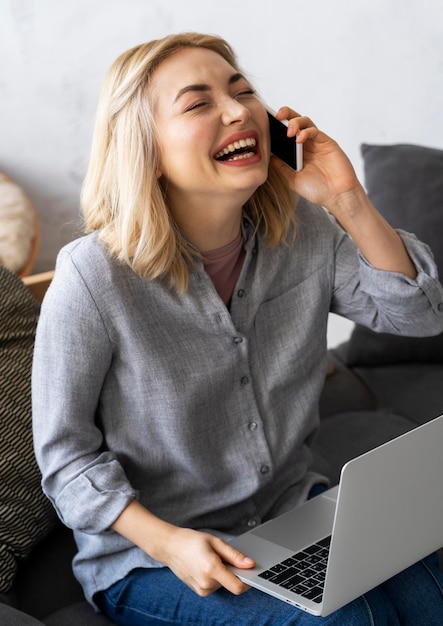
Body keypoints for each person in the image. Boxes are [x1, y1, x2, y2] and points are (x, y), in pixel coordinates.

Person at [32, 32, 443, 625]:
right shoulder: (93, 277)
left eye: (243, 90)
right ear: (143, 149)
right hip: (155, 558)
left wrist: (347, 198)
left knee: (427, 592)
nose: (236, 110)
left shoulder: (303, 232)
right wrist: (168, 542)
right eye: (198, 104)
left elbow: (419, 313)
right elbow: (65, 460)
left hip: (286, 511)